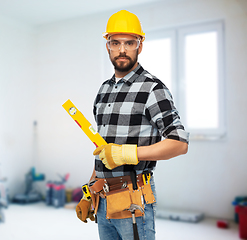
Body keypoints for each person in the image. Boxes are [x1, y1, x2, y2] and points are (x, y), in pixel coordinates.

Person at [75, 10, 189, 240]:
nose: (122, 49)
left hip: (134, 200)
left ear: (140, 46)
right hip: (103, 199)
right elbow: (103, 150)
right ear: (107, 46)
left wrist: (128, 153)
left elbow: (179, 143)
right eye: (115, 43)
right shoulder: (104, 91)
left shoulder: (153, 88)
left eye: (129, 43)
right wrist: (89, 191)